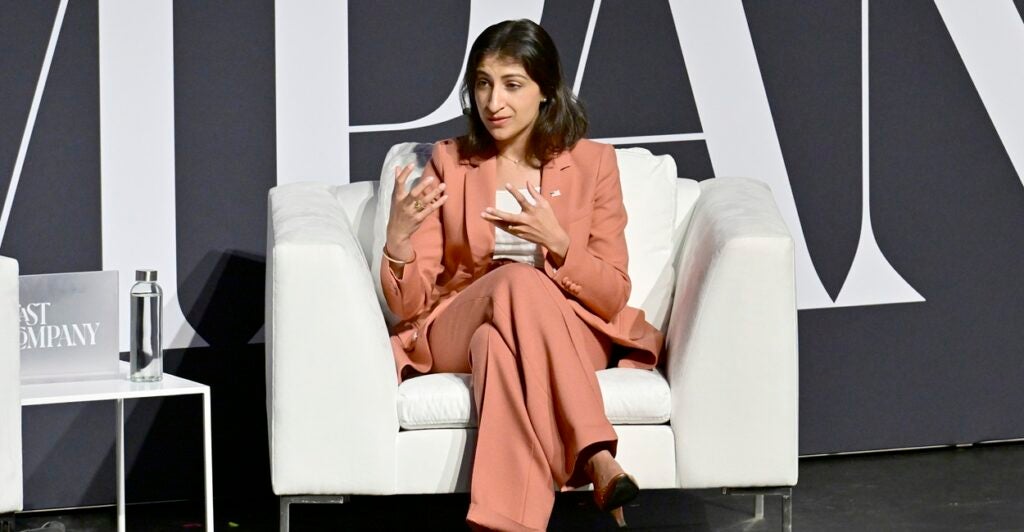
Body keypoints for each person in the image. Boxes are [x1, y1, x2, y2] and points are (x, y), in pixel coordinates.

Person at [380, 19, 662, 531]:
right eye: (483, 83)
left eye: (512, 85)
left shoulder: (594, 164)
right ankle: (596, 453)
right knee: (514, 283)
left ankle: (504, 522)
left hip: (569, 328)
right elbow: (411, 304)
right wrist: (397, 243)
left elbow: (613, 290)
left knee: (496, 347)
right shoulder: (449, 161)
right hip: (455, 324)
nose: (494, 102)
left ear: (546, 92)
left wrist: (559, 245)